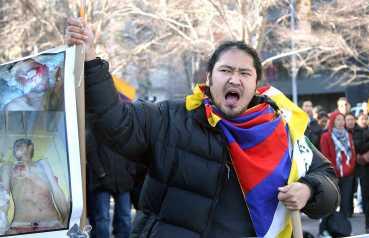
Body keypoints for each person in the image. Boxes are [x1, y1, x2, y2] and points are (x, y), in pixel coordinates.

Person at [66, 17, 339, 237]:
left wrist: (309, 190)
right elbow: (115, 123)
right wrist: (90, 60)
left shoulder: (282, 131)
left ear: (256, 84)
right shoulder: (171, 117)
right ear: (209, 78)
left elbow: (327, 179)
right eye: (226, 71)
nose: (235, 79)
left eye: (244, 73)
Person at [0, 138, 70, 234]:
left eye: (20, 143)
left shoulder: (43, 165)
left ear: (30, 147)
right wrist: (2, 228)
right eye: (15, 145)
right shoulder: (8, 168)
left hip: (52, 225)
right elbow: (3, 198)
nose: (16, 145)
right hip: (19, 227)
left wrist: (67, 221)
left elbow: (57, 192)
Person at [86, 117, 139, 238]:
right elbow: (91, 152)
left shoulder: (126, 129)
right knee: (103, 218)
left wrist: (130, 171)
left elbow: (133, 151)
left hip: (122, 179)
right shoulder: (95, 127)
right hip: (102, 181)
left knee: (124, 217)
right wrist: (101, 173)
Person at [320, 112, 356, 217]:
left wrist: (349, 168)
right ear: (332, 121)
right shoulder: (326, 136)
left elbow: (352, 153)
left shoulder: (348, 135)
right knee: (332, 202)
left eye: (342, 119)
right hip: (332, 173)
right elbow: (325, 156)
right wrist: (335, 169)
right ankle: (328, 227)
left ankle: (344, 228)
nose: (341, 122)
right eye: (338, 120)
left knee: (345, 201)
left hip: (348, 173)